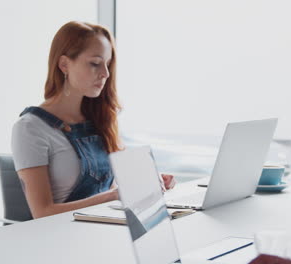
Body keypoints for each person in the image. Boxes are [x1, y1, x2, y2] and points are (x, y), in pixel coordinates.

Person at [11, 21, 175, 219]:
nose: (105, 73)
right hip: (60, 240)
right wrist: (114, 196)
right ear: (64, 64)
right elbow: (42, 213)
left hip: (101, 231)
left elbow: (110, 186)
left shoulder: (99, 119)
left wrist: (146, 183)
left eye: (108, 64)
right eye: (95, 63)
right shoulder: (30, 128)